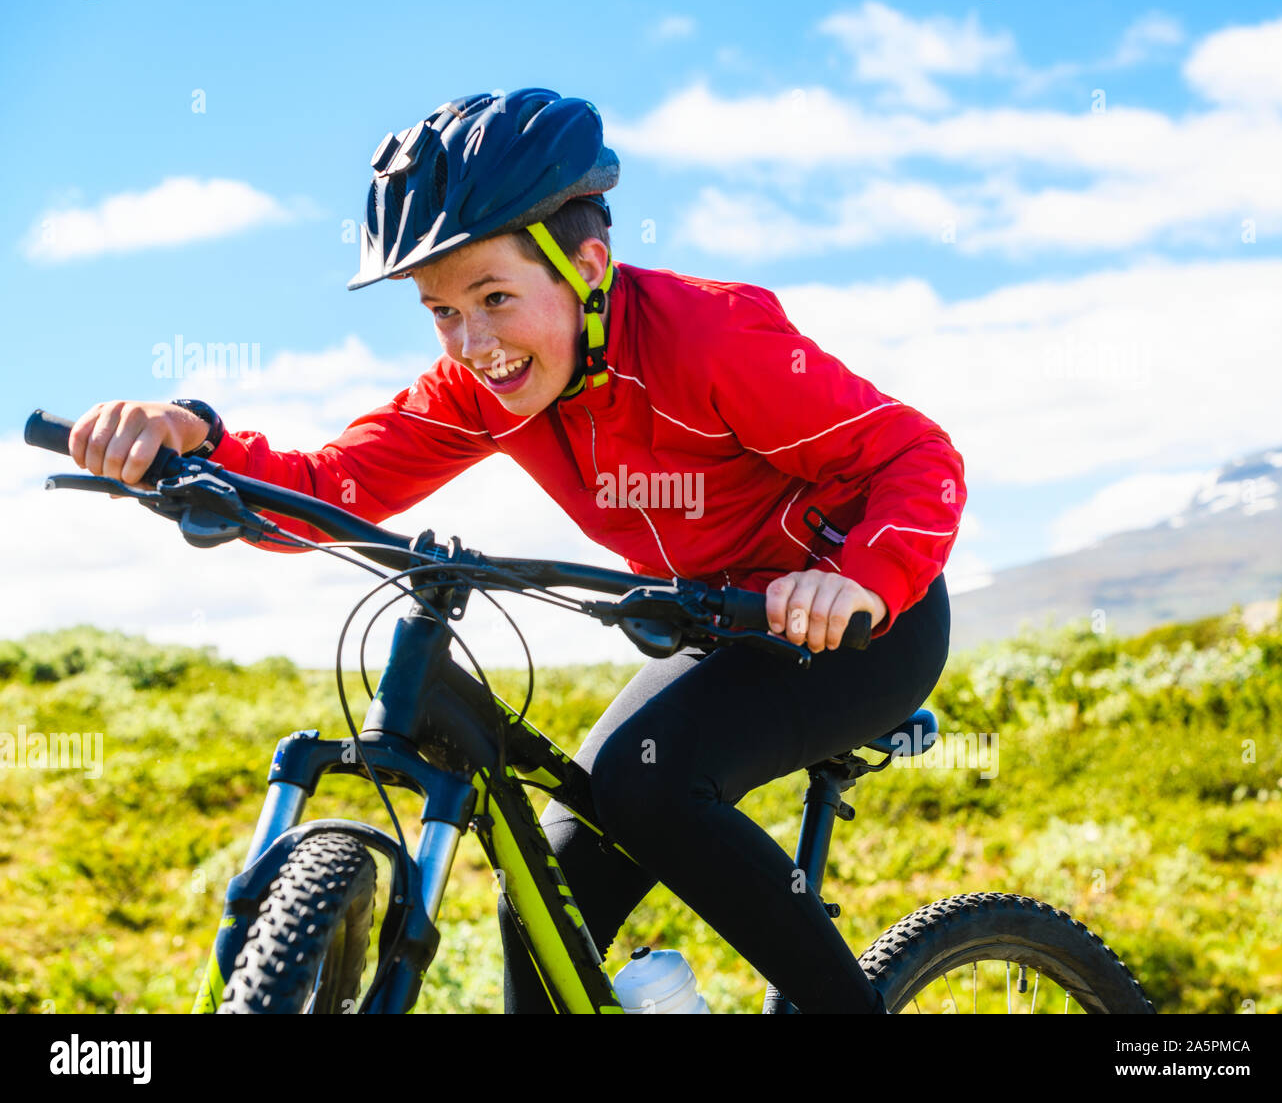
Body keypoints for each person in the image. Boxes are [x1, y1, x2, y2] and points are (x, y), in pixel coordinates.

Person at [70, 87, 965, 1014]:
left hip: (861, 626)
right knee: (545, 895)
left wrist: (857, 581)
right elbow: (330, 490)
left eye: (494, 297)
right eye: (443, 312)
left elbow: (917, 457)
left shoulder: (710, 338)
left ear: (587, 264)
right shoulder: (482, 385)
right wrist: (192, 443)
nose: (476, 343)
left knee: (643, 789)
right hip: (720, 624)